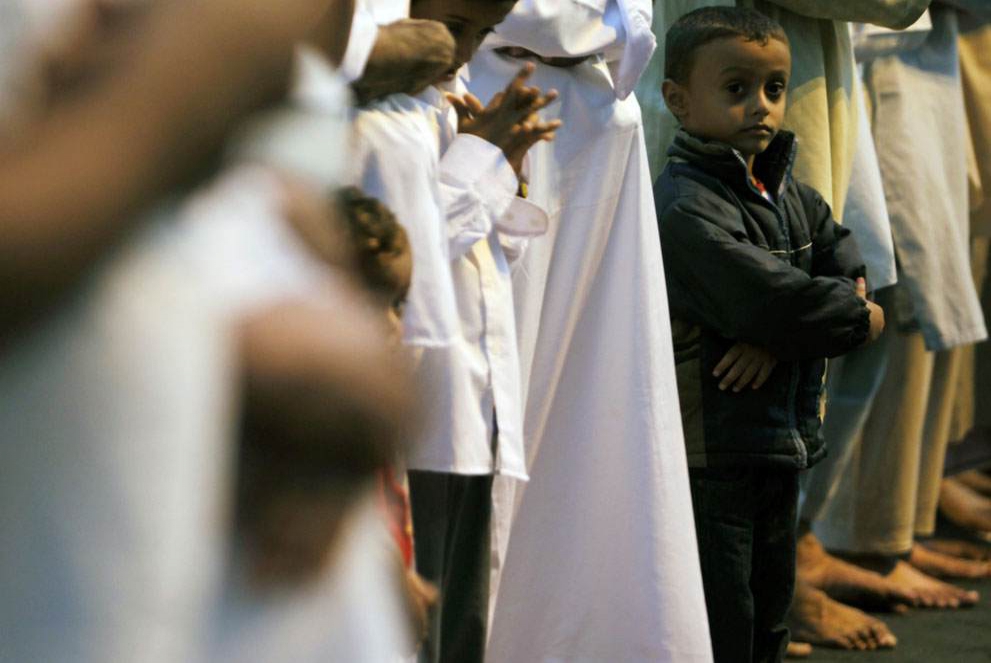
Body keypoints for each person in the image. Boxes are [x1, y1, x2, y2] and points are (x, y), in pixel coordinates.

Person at [467, 1, 712, 660]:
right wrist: (588, 26)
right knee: (497, 384)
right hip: (489, 98)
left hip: (598, 117)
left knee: (603, 393)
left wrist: (604, 29)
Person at [654, 8, 884, 661]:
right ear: (677, 99)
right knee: (726, 613)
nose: (761, 105)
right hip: (717, 445)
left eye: (774, 88)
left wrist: (781, 335)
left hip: (778, 436)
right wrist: (853, 317)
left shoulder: (791, 193)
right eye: (736, 88)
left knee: (772, 602)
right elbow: (768, 298)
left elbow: (845, 268)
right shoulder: (685, 203)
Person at [350, 1, 556, 658]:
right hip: (420, 411)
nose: (461, 52)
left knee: (463, 623)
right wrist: (480, 159)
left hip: (475, 400)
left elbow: (491, 256)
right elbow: (401, 259)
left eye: (481, 34)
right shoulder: (377, 120)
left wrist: (505, 168)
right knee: (412, 627)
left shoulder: (446, 104)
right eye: (452, 26)